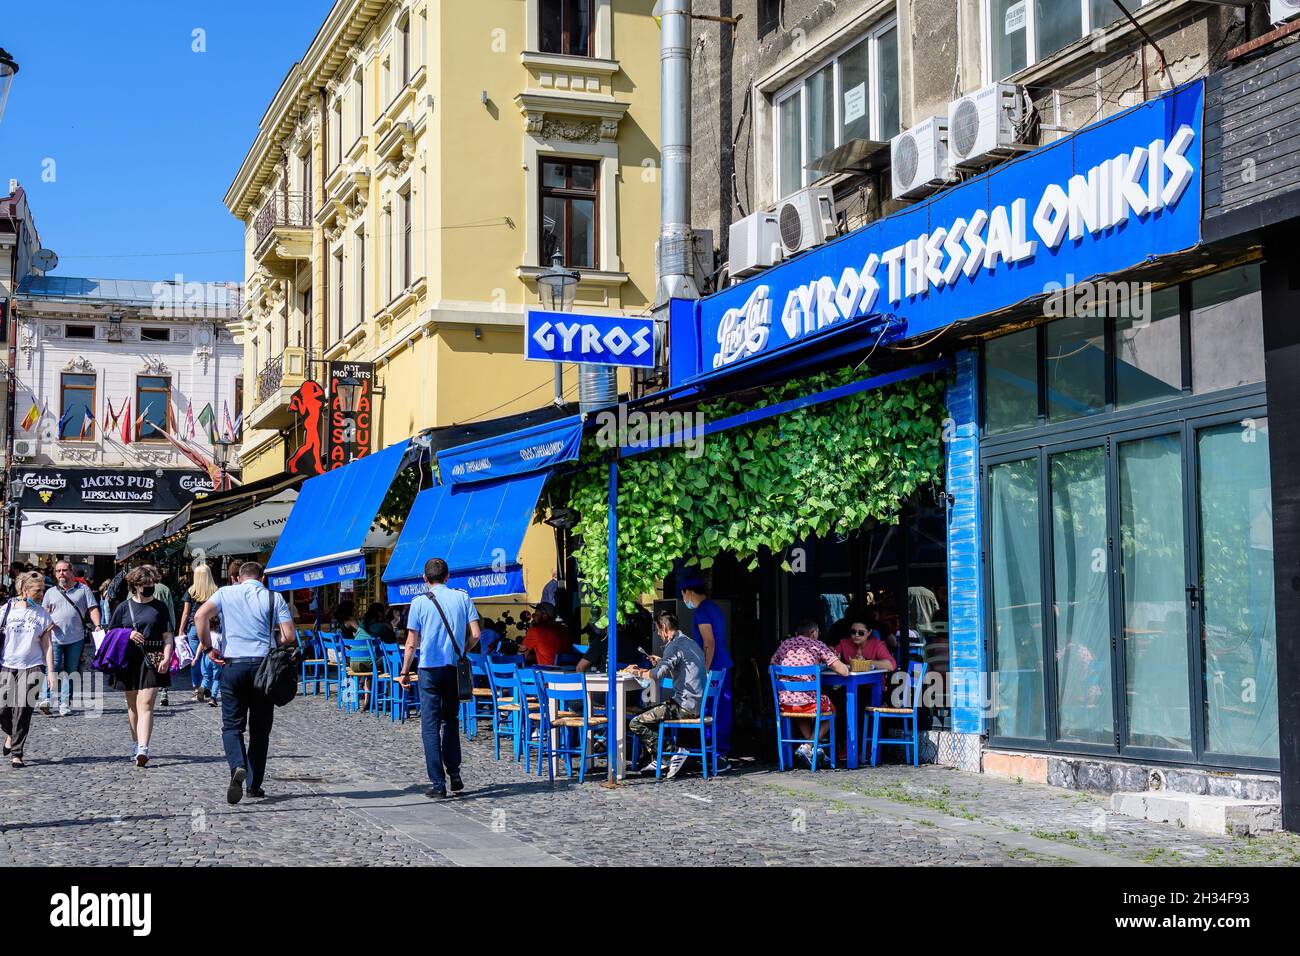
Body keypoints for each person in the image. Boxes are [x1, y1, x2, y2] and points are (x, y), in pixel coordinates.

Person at [194, 561, 295, 805]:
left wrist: (208, 647)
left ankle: (237, 765)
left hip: (233, 665)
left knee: (232, 726)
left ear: (238, 578)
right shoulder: (274, 597)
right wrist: (273, 644)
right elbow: (289, 636)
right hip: (264, 669)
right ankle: (254, 785)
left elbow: (200, 616)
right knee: (260, 731)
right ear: (262, 579)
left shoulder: (225, 593)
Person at [398, 557, 480, 799]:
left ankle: (437, 783)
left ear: (425, 579)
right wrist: (462, 650)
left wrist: (404, 672)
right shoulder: (462, 597)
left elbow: (412, 643)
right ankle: (454, 773)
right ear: (447, 576)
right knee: (451, 721)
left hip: (429, 670)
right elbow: (476, 634)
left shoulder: (418, 602)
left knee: (430, 726)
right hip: (453, 667)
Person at [107, 565, 175, 768]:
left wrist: (167, 656)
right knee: (132, 706)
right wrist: (127, 634)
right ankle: (135, 743)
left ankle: (143, 749)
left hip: (153, 657)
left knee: (146, 704)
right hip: (129, 659)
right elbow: (111, 634)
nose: (149, 587)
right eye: (145, 584)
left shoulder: (160, 607)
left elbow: (168, 635)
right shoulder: (122, 608)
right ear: (135, 586)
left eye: (151, 584)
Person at [627, 612, 706, 780]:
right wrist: (662, 660)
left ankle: (670, 752)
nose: (657, 634)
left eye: (657, 630)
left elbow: (655, 675)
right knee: (651, 711)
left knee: (636, 722)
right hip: (696, 704)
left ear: (663, 627)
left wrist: (634, 671)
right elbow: (681, 667)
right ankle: (660, 758)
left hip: (684, 706)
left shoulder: (674, 645)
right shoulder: (689, 642)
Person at [771, 620, 850, 767]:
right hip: (809, 704)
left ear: (796, 634)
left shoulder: (785, 645)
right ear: (814, 633)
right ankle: (808, 746)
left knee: (802, 712)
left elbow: (773, 663)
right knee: (831, 711)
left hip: (787, 704)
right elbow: (844, 671)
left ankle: (813, 749)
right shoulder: (818, 645)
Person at [0, 571, 56, 768]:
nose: (41, 594)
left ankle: (17, 753)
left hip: (33, 665)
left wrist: (50, 672)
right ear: (24, 589)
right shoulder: (6, 610)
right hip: (7, 664)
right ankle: (10, 734)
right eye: (37, 590)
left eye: (43, 590)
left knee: (22, 710)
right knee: (3, 709)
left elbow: (47, 645)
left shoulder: (42, 613)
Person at [679, 576, 733, 771]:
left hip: (714, 666)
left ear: (689, 592)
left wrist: (704, 670)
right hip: (723, 665)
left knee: (709, 710)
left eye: (683, 594)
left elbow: (708, 643)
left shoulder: (701, 611)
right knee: (720, 710)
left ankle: (714, 754)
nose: (684, 599)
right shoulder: (713, 608)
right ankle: (718, 753)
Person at [39, 559, 102, 716]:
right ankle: (46, 699)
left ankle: (64, 704)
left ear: (72, 572)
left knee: (70, 671)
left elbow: (92, 608)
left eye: (64, 570)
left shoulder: (83, 590)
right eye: (58, 571)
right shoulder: (50, 592)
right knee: (51, 668)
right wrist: (46, 622)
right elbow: (43, 613)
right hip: (54, 638)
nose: (61, 573)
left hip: (76, 638)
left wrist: (98, 625)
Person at [179, 563, 221, 704]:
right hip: (211, 627)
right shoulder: (216, 591)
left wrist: (181, 629)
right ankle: (208, 685)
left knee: (194, 659)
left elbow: (186, 613)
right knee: (210, 657)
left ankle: (197, 687)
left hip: (193, 627)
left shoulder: (191, 591)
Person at [520, 601, 572, 666]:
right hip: (569, 671)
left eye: (537, 613)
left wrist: (530, 631)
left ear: (545, 615)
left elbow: (520, 656)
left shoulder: (536, 630)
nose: (533, 616)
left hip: (547, 673)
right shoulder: (564, 629)